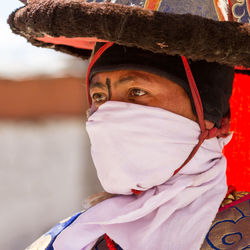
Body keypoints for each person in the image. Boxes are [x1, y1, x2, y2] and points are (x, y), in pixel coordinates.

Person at [8, 0, 250, 249]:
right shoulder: (71, 240)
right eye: (99, 96)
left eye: (137, 91)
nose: (109, 114)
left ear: (210, 119)